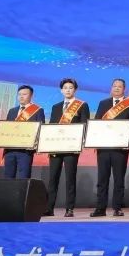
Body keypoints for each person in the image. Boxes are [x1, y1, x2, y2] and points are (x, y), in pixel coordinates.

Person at [92, 78, 129, 217]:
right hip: (104, 147)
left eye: (119, 86)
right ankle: (100, 208)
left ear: (124, 89)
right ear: (111, 88)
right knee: (102, 179)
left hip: (120, 148)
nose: (117, 88)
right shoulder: (103, 103)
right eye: (114, 86)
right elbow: (97, 123)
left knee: (119, 179)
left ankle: (117, 208)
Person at [46, 78, 89, 217]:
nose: (68, 90)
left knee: (70, 178)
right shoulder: (56, 107)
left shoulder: (82, 105)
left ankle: (69, 208)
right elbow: (52, 126)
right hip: (56, 147)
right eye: (65, 88)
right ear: (61, 90)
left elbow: (85, 125)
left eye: (71, 87)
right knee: (53, 178)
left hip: (71, 147)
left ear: (75, 90)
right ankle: (49, 208)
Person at [2, 84, 45, 180]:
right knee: (8, 177)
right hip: (10, 149)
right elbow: (6, 128)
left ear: (31, 96)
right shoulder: (12, 111)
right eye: (19, 94)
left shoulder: (38, 110)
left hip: (26, 150)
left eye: (24, 94)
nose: (21, 96)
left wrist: (37, 146)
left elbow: (41, 129)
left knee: (23, 177)